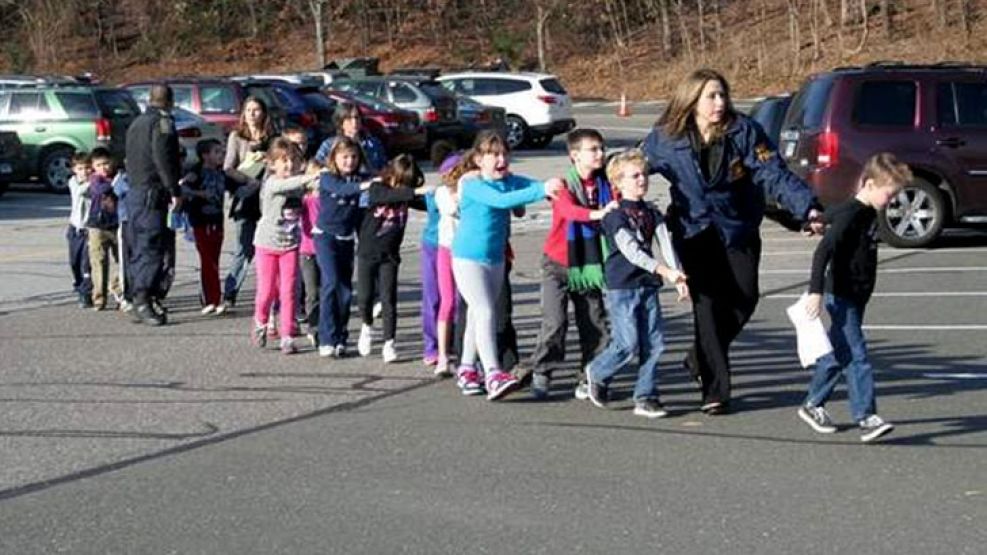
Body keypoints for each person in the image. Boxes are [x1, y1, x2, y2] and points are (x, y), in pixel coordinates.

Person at [640, 68, 824, 415]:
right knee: (707, 309)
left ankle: (699, 356)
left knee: (745, 298)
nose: (719, 103)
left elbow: (775, 174)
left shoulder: (744, 131)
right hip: (692, 232)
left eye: (723, 95)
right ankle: (715, 391)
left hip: (737, 228)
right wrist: (601, 186)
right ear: (692, 100)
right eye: (711, 96)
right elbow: (632, 167)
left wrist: (808, 208)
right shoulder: (666, 138)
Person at [797, 153, 912, 443]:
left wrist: (817, 220)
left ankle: (812, 404)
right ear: (871, 184)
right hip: (841, 295)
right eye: (889, 194)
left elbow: (831, 214)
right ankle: (866, 417)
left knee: (839, 354)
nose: (891, 200)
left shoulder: (861, 211)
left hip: (856, 295)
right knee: (858, 356)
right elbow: (823, 251)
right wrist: (815, 292)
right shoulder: (853, 213)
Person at [451, 131, 562, 400]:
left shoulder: (508, 180)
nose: (501, 159)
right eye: (493, 154)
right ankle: (493, 373)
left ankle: (467, 368)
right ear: (478, 159)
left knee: (479, 316)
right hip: (467, 257)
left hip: (496, 257)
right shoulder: (473, 183)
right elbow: (501, 201)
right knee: (485, 310)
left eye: (504, 154)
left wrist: (553, 186)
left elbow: (527, 186)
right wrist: (541, 190)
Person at [584, 150, 689, 418]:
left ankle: (646, 396)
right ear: (618, 182)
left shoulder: (652, 212)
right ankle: (596, 372)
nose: (641, 179)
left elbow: (665, 243)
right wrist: (664, 270)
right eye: (634, 176)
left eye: (643, 174)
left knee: (654, 343)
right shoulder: (615, 215)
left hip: (648, 284)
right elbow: (631, 250)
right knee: (627, 343)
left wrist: (677, 275)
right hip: (622, 285)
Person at [527, 129, 618, 400]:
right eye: (593, 149)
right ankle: (542, 370)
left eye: (601, 148)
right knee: (554, 322)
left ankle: (590, 374)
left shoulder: (607, 184)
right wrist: (598, 213)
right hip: (558, 262)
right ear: (574, 155)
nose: (599, 154)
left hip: (589, 264)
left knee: (594, 321)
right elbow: (568, 211)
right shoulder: (562, 185)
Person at [355, 154, 432, 362]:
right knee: (365, 296)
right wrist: (413, 191)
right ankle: (366, 326)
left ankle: (389, 342)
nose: (403, 187)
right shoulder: (377, 187)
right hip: (367, 252)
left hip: (390, 255)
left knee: (389, 299)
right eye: (401, 182)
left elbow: (425, 203)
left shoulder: (406, 196)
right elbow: (386, 197)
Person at [250, 138, 319, 354]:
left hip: (290, 245)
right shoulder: (272, 183)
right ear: (272, 164)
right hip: (267, 244)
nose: (289, 165)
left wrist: (324, 178)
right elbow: (287, 184)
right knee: (267, 290)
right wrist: (310, 176)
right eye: (284, 161)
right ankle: (261, 321)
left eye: (293, 161)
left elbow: (316, 187)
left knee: (289, 291)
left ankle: (287, 335)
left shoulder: (300, 182)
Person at [124, 84, 182, 326]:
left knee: (138, 247)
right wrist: (174, 190)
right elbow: (162, 157)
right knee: (152, 247)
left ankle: (137, 297)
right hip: (152, 193)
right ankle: (143, 298)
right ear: (169, 101)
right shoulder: (162, 123)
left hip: (136, 192)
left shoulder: (137, 122)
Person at [315, 137, 372, 357]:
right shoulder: (328, 177)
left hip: (346, 238)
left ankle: (341, 336)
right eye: (344, 157)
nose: (349, 161)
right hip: (325, 236)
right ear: (334, 158)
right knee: (330, 282)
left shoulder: (362, 177)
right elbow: (344, 190)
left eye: (354, 157)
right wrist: (365, 185)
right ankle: (326, 338)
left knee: (345, 290)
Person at [223, 96, 276, 309]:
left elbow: (279, 165)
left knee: (270, 249)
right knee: (243, 249)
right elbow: (228, 167)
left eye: (256, 110)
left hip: (268, 200)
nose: (252, 114)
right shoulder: (237, 137)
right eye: (248, 110)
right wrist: (248, 180)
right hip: (245, 198)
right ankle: (229, 293)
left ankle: (272, 295)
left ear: (263, 113)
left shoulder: (273, 138)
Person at [181, 138, 229, 315]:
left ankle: (211, 297)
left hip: (217, 220)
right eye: (216, 152)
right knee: (207, 260)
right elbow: (183, 188)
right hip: (200, 221)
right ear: (205, 155)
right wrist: (199, 193)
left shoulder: (221, 173)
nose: (220, 156)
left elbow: (235, 186)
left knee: (214, 260)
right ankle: (212, 298)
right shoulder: (196, 173)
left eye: (221, 152)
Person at [432, 152, 464, 376]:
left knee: (467, 302)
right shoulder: (442, 193)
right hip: (447, 249)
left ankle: (463, 351)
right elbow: (452, 209)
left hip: (467, 251)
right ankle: (443, 354)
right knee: (449, 301)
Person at [85, 148, 123, 312]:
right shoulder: (95, 180)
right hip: (97, 226)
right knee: (99, 262)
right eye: (99, 165)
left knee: (122, 261)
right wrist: (114, 184)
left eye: (106, 163)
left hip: (117, 224)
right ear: (93, 167)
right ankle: (99, 298)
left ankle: (119, 289)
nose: (103, 168)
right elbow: (100, 190)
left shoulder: (119, 177)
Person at [313, 102, 387, 173]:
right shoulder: (329, 145)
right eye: (349, 118)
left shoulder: (374, 144)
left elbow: (384, 167)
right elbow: (316, 167)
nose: (354, 122)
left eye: (357, 117)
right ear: (341, 122)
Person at [66, 152, 93, 308]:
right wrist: (95, 181)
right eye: (80, 168)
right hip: (75, 229)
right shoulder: (73, 183)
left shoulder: (95, 184)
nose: (84, 172)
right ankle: (78, 285)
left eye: (88, 168)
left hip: (88, 230)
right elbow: (80, 191)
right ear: (74, 169)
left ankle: (86, 292)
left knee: (86, 263)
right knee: (74, 261)